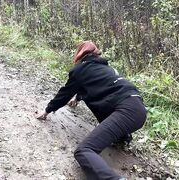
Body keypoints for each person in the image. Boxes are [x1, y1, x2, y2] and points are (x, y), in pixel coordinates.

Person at [37, 41, 147, 180]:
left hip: (126, 111)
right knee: (109, 108)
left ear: (79, 55)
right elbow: (98, 87)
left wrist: (47, 110)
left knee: (83, 151)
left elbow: (64, 94)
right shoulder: (106, 69)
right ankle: (122, 138)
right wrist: (78, 98)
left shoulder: (80, 70)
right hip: (137, 109)